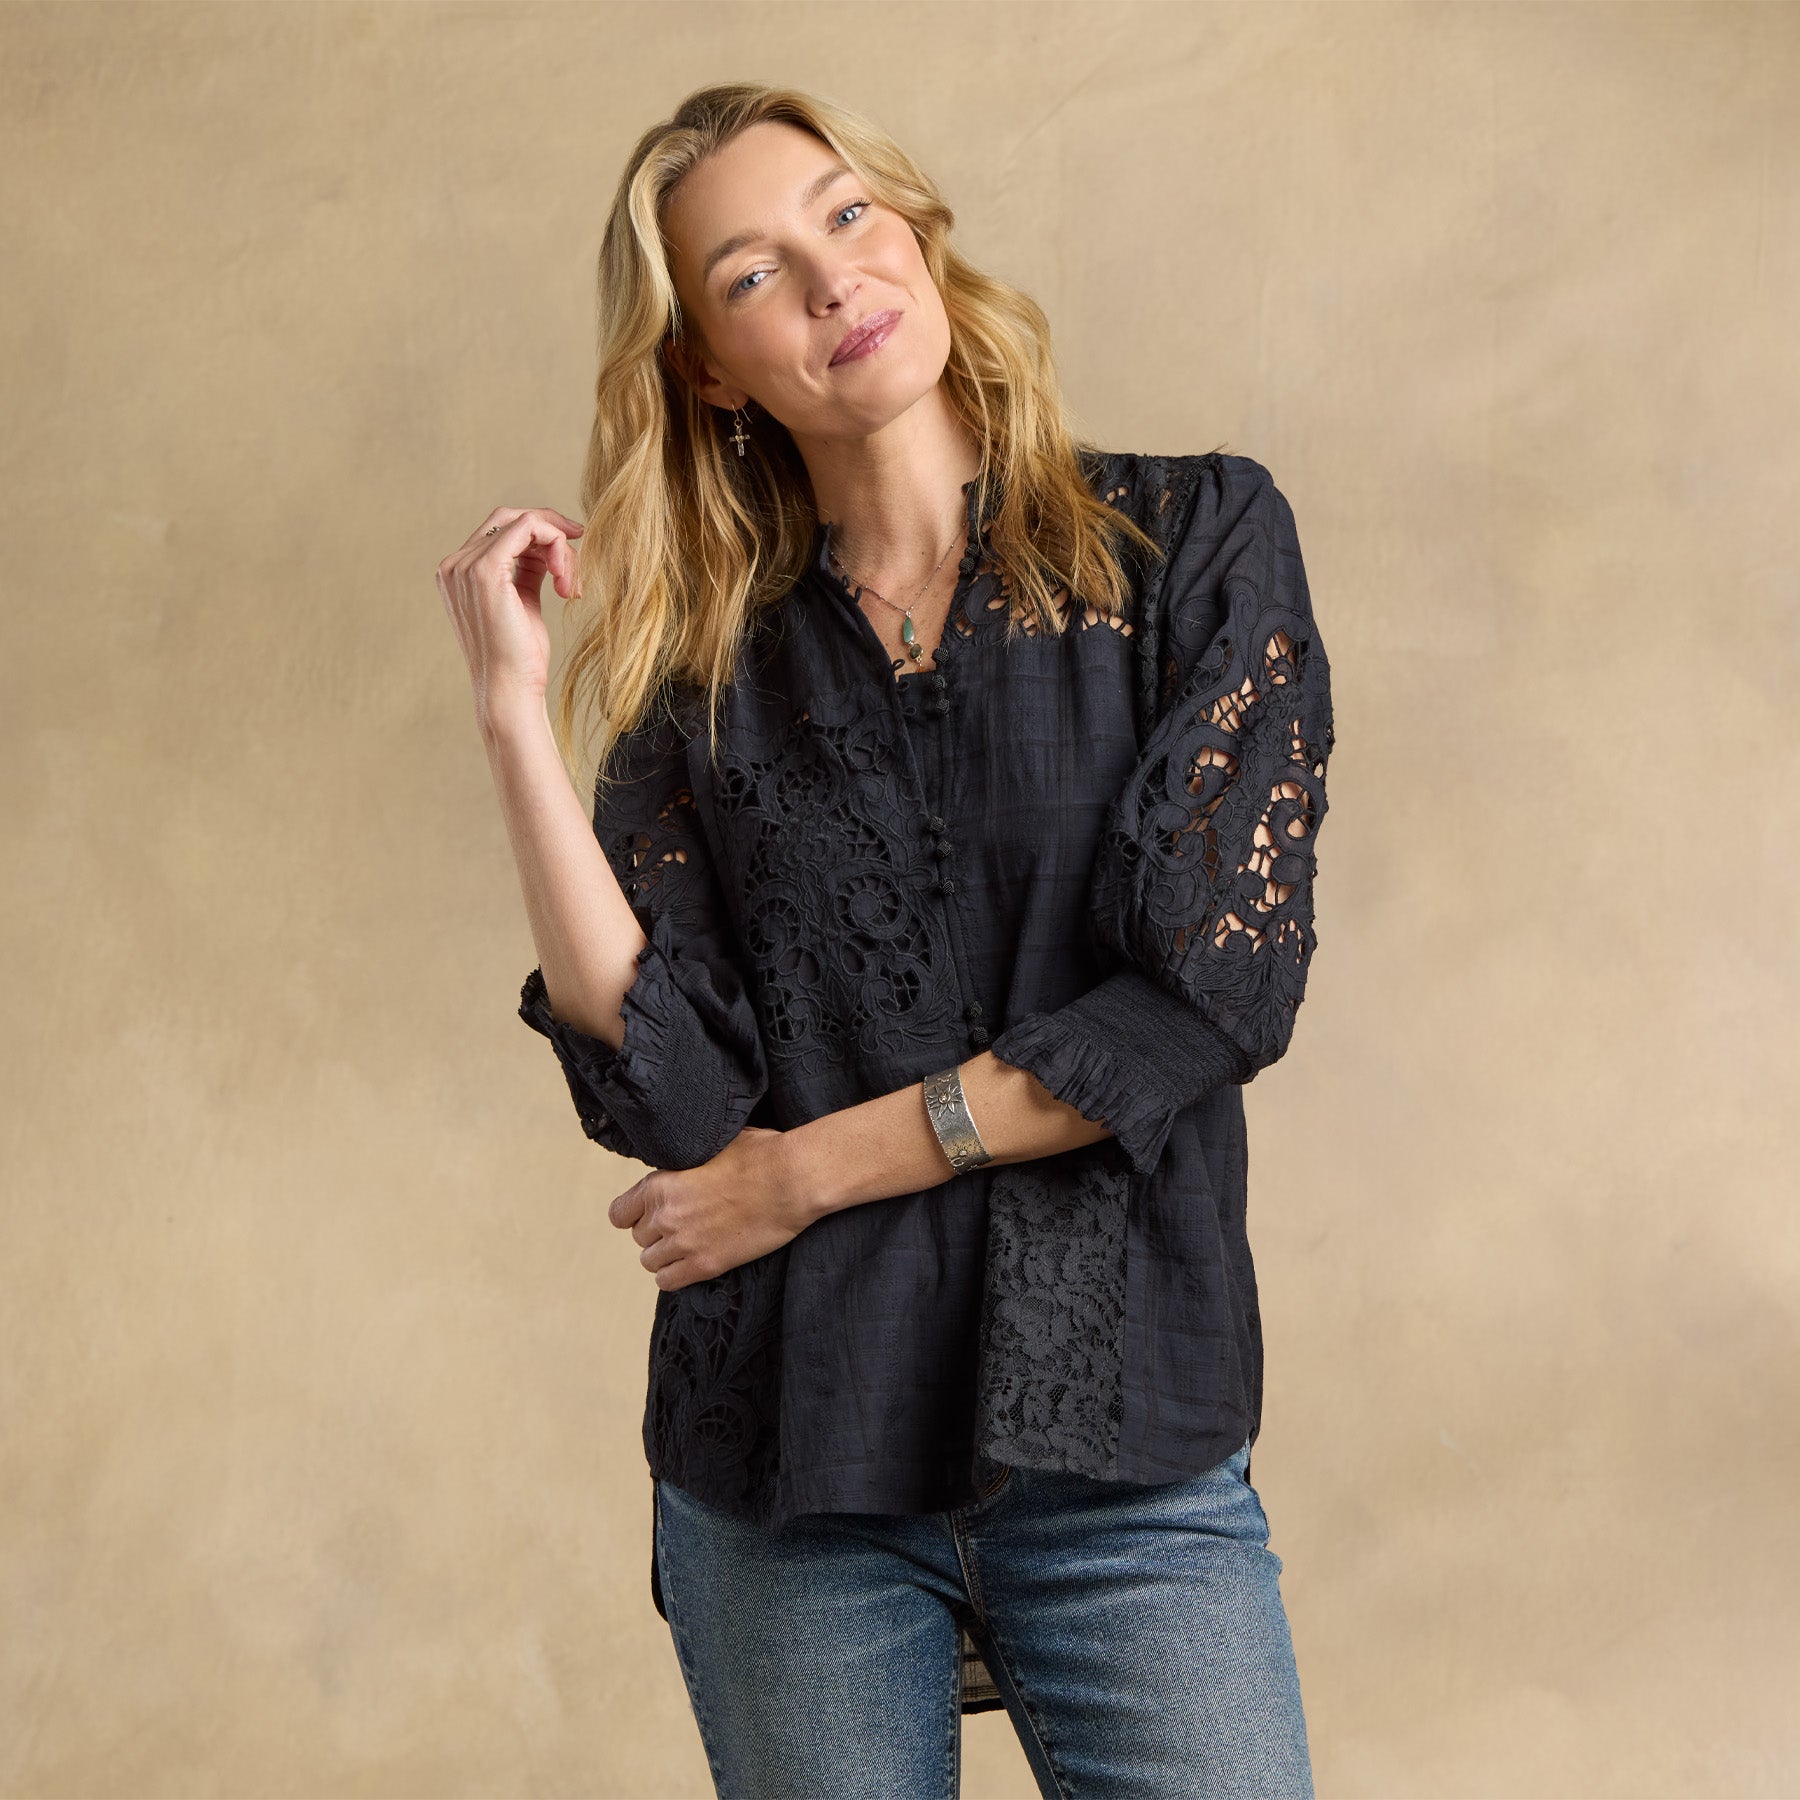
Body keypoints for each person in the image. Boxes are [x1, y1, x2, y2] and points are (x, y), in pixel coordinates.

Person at [436, 80, 1333, 1800]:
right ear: (711, 369)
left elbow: (1203, 997)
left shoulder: (1192, 544)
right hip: (788, 1465)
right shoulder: (713, 678)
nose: (831, 276)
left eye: (847, 216)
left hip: (1125, 1450)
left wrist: (806, 1175)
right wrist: (509, 714)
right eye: (752, 274)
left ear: (914, 235)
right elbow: (672, 1095)